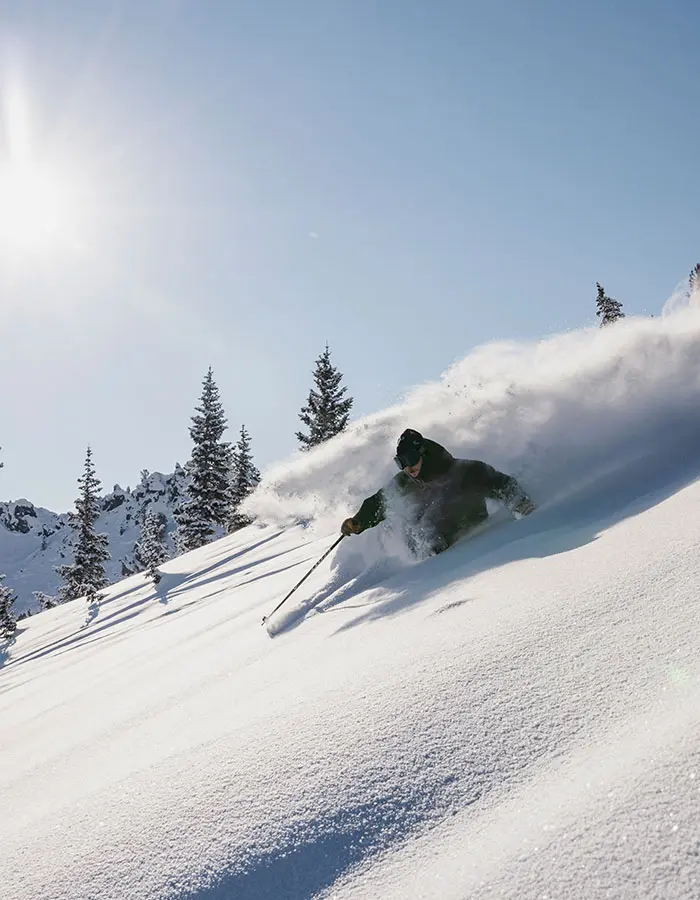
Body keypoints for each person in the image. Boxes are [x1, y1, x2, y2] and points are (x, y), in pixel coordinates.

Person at [340, 428, 535, 555]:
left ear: (423, 453)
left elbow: (500, 483)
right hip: (440, 553)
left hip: (479, 542)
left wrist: (523, 506)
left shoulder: (463, 471)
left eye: (411, 458)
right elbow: (381, 501)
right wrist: (358, 522)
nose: (408, 467)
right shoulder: (406, 481)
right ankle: (428, 551)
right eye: (401, 463)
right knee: (415, 523)